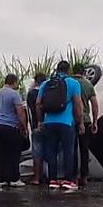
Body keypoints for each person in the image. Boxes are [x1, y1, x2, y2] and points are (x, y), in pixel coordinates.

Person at [36, 61, 84, 191]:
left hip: (49, 122)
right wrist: (80, 122)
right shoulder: (73, 83)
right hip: (67, 123)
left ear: (57, 69)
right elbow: (78, 104)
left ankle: (53, 180)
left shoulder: (46, 84)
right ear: (69, 71)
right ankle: (68, 180)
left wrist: (40, 121)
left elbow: (38, 104)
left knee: (51, 151)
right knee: (68, 151)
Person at [0, 74, 28, 188]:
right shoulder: (14, 94)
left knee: (0, 153)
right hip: (9, 126)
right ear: (14, 82)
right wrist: (24, 127)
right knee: (14, 153)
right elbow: (20, 112)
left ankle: (1, 179)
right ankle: (14, 178)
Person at [72, 63, 99, 189]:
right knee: (84, 149)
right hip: (86, 120)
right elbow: (94, 105)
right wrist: (95, 122)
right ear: (83, 72)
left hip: (70, 120)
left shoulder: (69, 83)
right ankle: (84, 176)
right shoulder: (88, 85)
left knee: (70, 149)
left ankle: (71, 176)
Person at [26, 72, 47, 185]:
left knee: (37, 152)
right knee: (51, 150)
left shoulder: (32, 93)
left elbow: (29, 110)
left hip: (36, 126)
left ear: (35, 81)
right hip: (50, 124)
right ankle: (51, 176)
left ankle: (37, 177)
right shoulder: (49, 92)